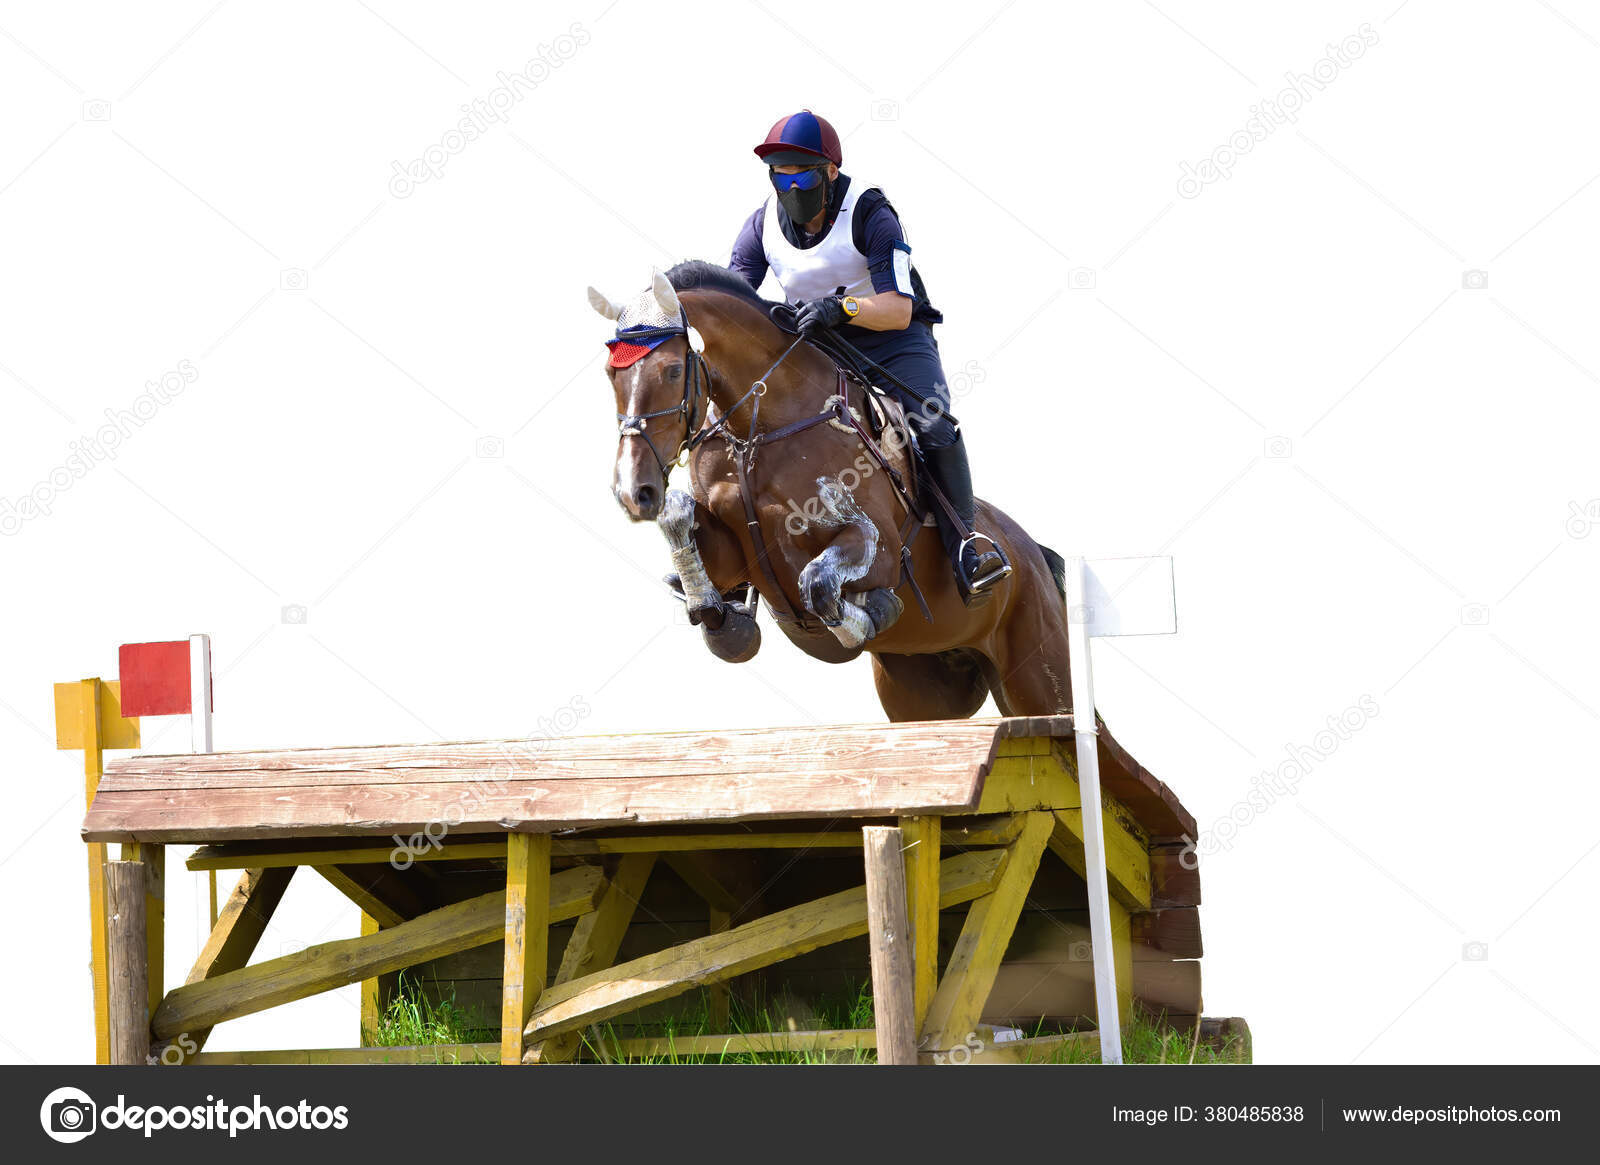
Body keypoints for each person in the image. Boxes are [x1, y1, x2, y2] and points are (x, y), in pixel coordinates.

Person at [728, 109, 1010, 605]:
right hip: (817, 342)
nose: (790, 186)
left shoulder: (871, 214)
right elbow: (732, 302)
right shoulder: (760, 227)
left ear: (830, 173)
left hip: (890, 339)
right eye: (781, 174)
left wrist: (842, 308)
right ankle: (738, 565)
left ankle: (967, 543)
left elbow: (899, 309)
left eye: (802, 173)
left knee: (931, 422)